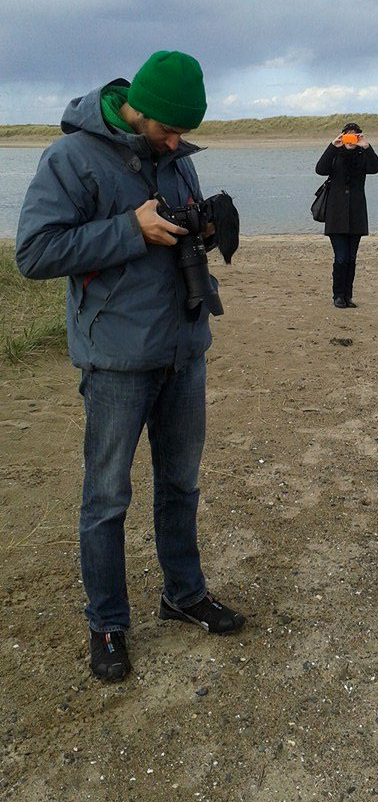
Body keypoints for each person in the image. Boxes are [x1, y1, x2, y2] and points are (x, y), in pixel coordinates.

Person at [16, 50, 245, 682]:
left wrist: (202, 227)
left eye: (184, 133)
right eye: (170, 130)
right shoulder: (70, 159)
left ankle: (184, 593)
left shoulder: (174, 155)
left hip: (181, 348)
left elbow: (173, 232)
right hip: (116, 358)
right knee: (107, 497)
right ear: (136, 109)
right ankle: (108, 623)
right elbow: (33, 253)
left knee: (181, 483)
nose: (178, 142)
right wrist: (129, 228)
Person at [315, 122, 378, 307]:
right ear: (342, 137)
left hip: (356, 215)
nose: (350, 140)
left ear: (359, 136)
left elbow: (376, 168)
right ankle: (338, 295)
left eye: (354, 135)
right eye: (347, 136)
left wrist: (367, 147)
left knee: (351, 258)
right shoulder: (335, 155)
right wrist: (332, 146)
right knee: (341, 257)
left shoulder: (362, 156)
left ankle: (347, 296)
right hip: (336, 216)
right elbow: (320, 169)